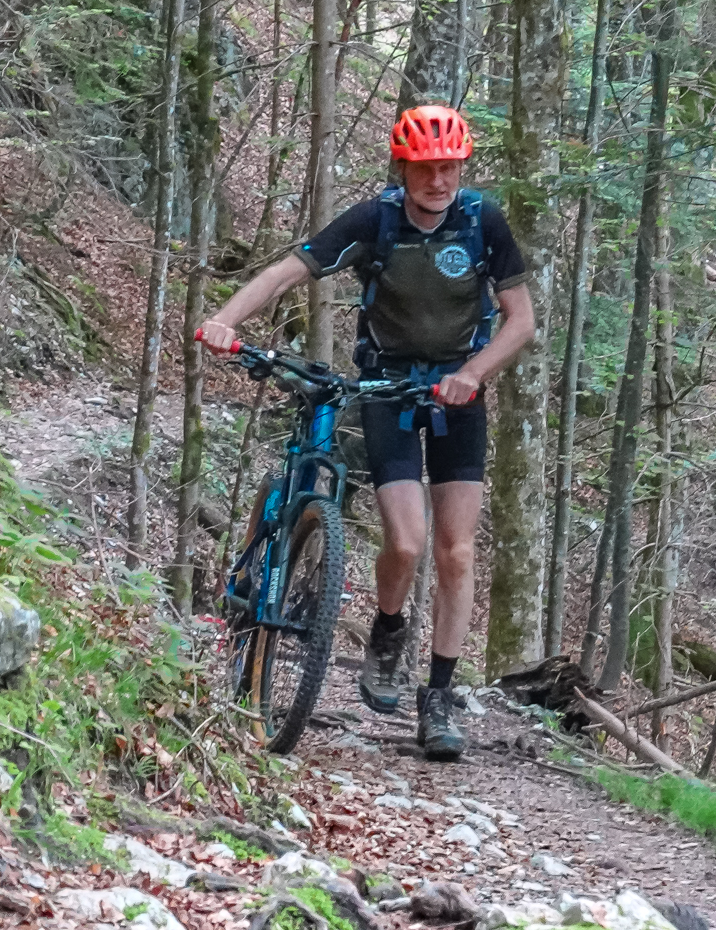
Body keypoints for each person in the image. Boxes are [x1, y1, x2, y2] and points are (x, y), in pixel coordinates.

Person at [197, 103, 534, 759]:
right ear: (402, 168)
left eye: (450, 167)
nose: (439, 180)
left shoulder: (481, 221)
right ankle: (387, 629)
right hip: (387, 391)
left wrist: (473, 373)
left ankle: (437, 700)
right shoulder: (375, 220)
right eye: (426, 168)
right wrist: (225, 319)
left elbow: (520, 320)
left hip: (459, 395)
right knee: (405, 544)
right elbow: (291, 268)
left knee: (456, 551)